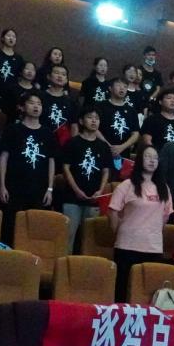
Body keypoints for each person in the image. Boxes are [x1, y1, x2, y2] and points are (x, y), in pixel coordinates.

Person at [108, 143, 173, 302]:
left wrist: (152, 232)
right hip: (127, 246)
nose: (152, 160)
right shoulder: (127, 185)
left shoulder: (163, 188)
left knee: (148, 295)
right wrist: (119, 232)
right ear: (139, 160)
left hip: (153, 247)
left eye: (155, 158)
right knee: (123, 293)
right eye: (148, 156)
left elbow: (165, 217)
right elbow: (113, 211)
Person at [0, 91, 56, 242]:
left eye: (39, 104)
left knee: (34, 228)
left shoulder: (47, 133)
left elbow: (51, 161)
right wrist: (2, 185)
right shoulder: (12, 129)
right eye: (31, 103)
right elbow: (4, 157)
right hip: (14, 186)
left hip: (39, 188)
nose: (36, 107)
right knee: (11, 226)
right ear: (22, 107)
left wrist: (50, 189)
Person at [60, 106, 111, 253]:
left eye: (97, 118)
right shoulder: (72, 143)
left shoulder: (103, 146)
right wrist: (76, 190)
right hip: (72, 198)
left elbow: (106, 171)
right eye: (90, 117)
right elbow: (66, 169)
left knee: (88, 240)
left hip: (93, 199)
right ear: (81, 121)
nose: (94, 121)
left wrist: (100, 191)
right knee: (68, 237)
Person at [96, 78, 140, 166]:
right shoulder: (100, 106)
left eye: (125, 86)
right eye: (118, 85)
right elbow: (94, 128)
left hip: (123, 152)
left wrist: (122, 147)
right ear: (110, 88)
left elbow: (136, 134)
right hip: (101, 149)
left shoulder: (131, 110)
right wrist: (108, 146)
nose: (122, 88)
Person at [39, 64, 78, 136]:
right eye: (56, 73)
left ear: (66, 80)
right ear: (48, 76)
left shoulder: (71, 101)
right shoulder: (39, 97)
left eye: (63, 74)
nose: (60, 76)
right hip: (42, 137)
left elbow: (74, 125)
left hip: (63, 140)